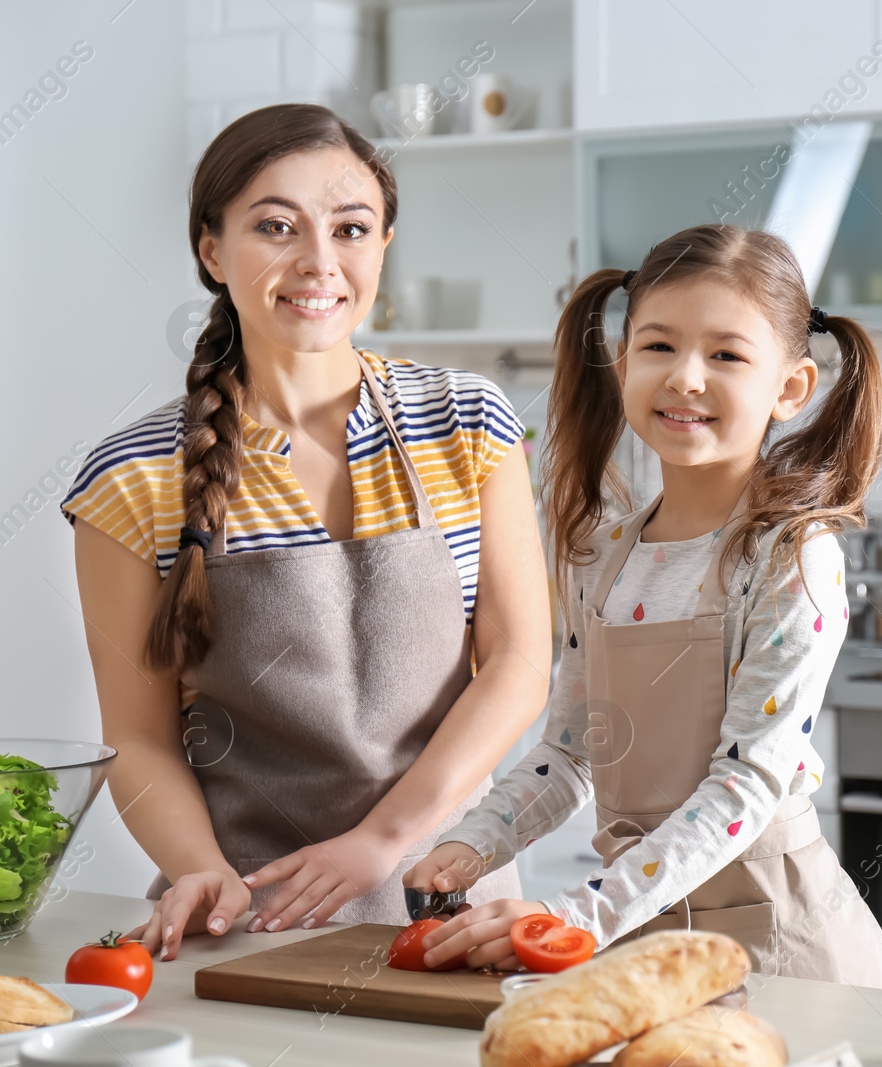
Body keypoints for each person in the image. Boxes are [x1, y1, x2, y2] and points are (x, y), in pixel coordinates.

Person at [62, 104, 546, 960]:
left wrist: (382, 841)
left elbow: (517, 665)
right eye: (275, 226)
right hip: (251, 915)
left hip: (453, 902)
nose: (319, 262)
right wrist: (198, 868)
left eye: (351, 228)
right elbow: (136, 735)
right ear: (212, 251)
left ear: (384, 243)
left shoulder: (466, 420)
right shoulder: (131, 478)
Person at [404, 224, 882, 987]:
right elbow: (571, 752)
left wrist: (574, 915)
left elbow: (747, 782)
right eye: (659, 347)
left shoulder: (792, 558)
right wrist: (474, 843)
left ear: (791, 388)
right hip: (640, 932)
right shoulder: (600, 556)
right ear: (623, 358)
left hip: (780, 950)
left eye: (727, 355)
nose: (686, 378)